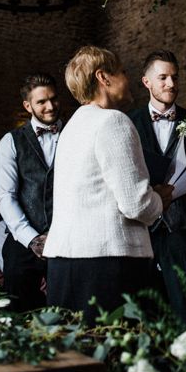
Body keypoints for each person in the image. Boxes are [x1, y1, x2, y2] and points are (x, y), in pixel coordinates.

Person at [44, 46, 172, 325]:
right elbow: (136, 203)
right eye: (124, 72)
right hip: (106, 262)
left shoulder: (71, 127)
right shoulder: (113, 121)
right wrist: (161, 199)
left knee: (75, 359)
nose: (128, 79)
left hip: (64, 261)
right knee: (112, 359)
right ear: (104, 78)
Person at [129, 50, 186, 328]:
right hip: (140, 234)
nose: (171, 84)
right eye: (163, 77)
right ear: (147, 82)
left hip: (183, 232)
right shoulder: (128, 123)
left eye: (175, 77)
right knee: (145, 315)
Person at [0, 73, 62, 311]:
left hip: (66, 242)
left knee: (63, 312)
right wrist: (32, 238)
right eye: (41, 102)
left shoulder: (74, 136)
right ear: (28, 106)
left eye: (53, 99)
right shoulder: (10, 142)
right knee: (18, 311)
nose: (50, 106)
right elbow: (6, 196)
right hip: (22, 244)